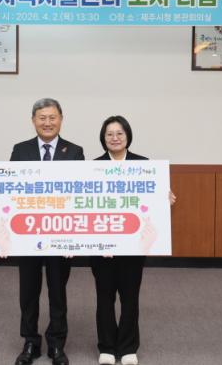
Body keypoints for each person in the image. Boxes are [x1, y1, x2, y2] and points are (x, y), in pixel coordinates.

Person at [90, 115, 175, 365]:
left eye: (120, 133)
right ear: (103, 138)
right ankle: (107, 346)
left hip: (133, 246)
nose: (115, 138)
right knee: (104, 297)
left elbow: (151, 204)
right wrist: (99, 239)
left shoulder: (144, 165)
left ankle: (128, 347)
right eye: (109, 134)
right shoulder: (92, 167)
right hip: (102, 245)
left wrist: (165, 200)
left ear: (127, 136)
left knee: (130, 297)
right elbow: (87, 207)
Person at [10, 98, 84, 365]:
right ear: (33, 121)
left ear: (61, 119)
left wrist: (75, 238)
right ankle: (30, 341)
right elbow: (9, 192)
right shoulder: (20, 150)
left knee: (57, 290)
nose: (47, 122)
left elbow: (81, 195)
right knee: (28, 291)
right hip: (28, 234)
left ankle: (56, 343)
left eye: (52, 117)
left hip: (60, 235)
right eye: (42, 118)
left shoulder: (74, 152)